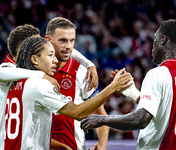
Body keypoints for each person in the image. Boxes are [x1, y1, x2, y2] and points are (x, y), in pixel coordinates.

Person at [81, 19, 176, 150]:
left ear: (163, 40)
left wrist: (101, 120)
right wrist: (133, 93)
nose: (152, 44)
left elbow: (141, 119)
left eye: (156, 38)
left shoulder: (157, 73)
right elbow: (165, 110)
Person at [4, 36, 132, 150]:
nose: (55, 60)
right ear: (34, 59)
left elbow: (29, 130)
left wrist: (63, 147)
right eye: (50, 55)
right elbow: (78, 112)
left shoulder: (11, 82)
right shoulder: (40, 85)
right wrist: (113, 87)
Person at [0, 24, 99, 150]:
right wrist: (40, 75)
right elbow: (77, 112)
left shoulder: (24, 73)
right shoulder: (10, 70)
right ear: (25, 48)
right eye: (37, 43)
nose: (43, 46)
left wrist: (89, 64)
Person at [45, 17, 109, 150]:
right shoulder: (33, 71)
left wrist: (102, 144)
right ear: (48, 41)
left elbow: (100, 113)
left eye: (72, 40)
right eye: (62, 40)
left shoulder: (82, 73)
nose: (68, 46)